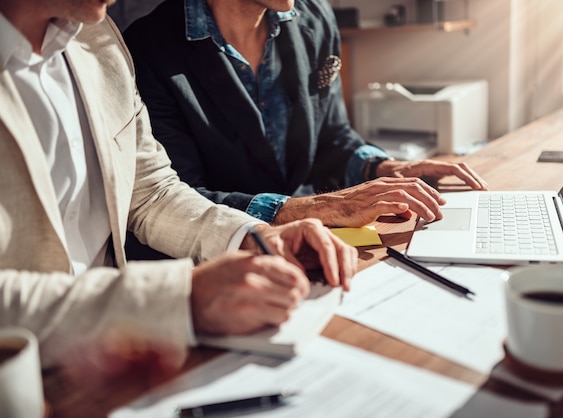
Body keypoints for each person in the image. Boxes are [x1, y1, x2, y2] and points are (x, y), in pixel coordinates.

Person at [0, 0, 357, 369]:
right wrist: (177, 300)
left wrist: (252, 236)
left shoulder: (97, 38)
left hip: (119, 357)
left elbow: (150, 191)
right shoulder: (147, 42)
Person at [122, 0, 488, 235]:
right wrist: (312, 208)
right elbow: (177, 200)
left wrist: (383, 168)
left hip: (317, 239)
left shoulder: (315, 16)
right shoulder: (147, 47)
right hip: (226, 263)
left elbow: (332, 137)